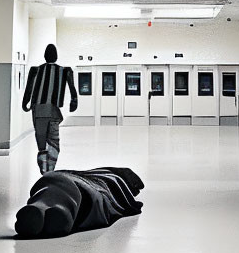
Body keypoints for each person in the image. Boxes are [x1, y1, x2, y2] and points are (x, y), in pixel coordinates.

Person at [14, 167, 144, 239]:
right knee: (90, 197)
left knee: (54, 187)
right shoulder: (116, 178)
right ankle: (62, 210)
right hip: (92, 185)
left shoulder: (106, 173)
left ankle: (40, 205)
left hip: (63, 177)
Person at [22, 44, 78, 174]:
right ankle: (50, 168)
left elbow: (28, 90)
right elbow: (72, 89)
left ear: (44, 56)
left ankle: (44, 168)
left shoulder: (35, 70)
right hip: (53, 110)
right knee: (53, 141)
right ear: (56, 56)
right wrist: (73, 102)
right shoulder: (65, 70)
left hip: (38, 111)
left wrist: (25, 104)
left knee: (41, 142)